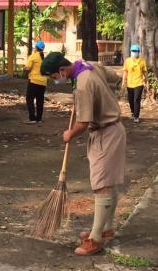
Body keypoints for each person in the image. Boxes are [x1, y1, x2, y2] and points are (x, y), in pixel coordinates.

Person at [40, 52, 126, 256]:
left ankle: (95, 239)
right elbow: (115, 77)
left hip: (105, 133)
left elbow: (83, 123)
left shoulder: (82, 85)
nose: (56, 80)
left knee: (101, 185)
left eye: (54, 77)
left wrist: (69, 134)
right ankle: (106, 228)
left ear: (61, 70)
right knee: (108, 182)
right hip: (114, 129)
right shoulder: (89, 65)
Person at [120, 44, 147, 123]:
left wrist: (146, 82)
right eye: (133, 51)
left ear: (138, 52)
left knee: (136, 100)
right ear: (130, 52)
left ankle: (136, 116)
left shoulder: (142, 61)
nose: (134, 52)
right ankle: (132, 112)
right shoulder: (127, 61)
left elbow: (145, 73)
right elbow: (125, 72)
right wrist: (123, 83)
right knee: (131, 100)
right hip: (129, 83)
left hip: (139, 83)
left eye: (136, 51)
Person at [24, 40, 48, 124]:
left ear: (35, 48)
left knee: (29, 99)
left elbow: (27, 68)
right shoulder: (44, 58)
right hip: (43, 82)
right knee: (40, 100)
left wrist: (25, 68)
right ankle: (39, 119)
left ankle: (32, 118)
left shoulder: (33, 56)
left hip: (34, 81)